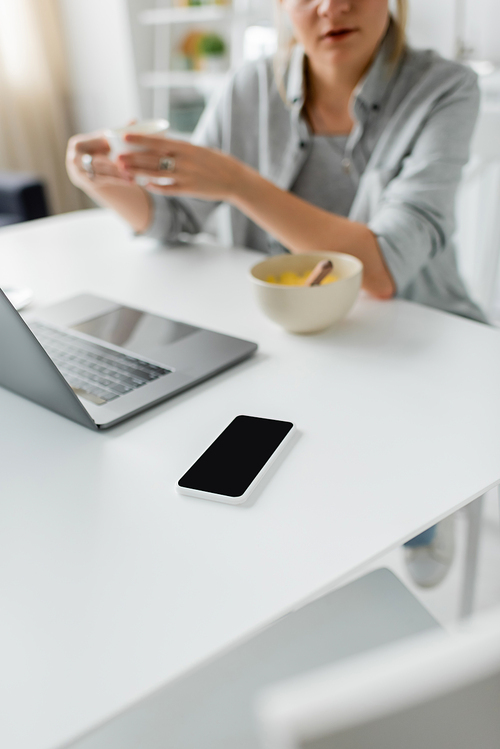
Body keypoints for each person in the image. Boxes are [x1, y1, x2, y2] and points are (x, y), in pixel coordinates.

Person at [66, 0, 486, 586]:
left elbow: (384, 268)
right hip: (286, 334)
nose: (331, 7)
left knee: (392, 464)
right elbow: (173, 218)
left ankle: (422, 520)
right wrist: (99, 180)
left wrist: (239, 183)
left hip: (413, 332)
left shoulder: (445, 89)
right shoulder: (250, 87)